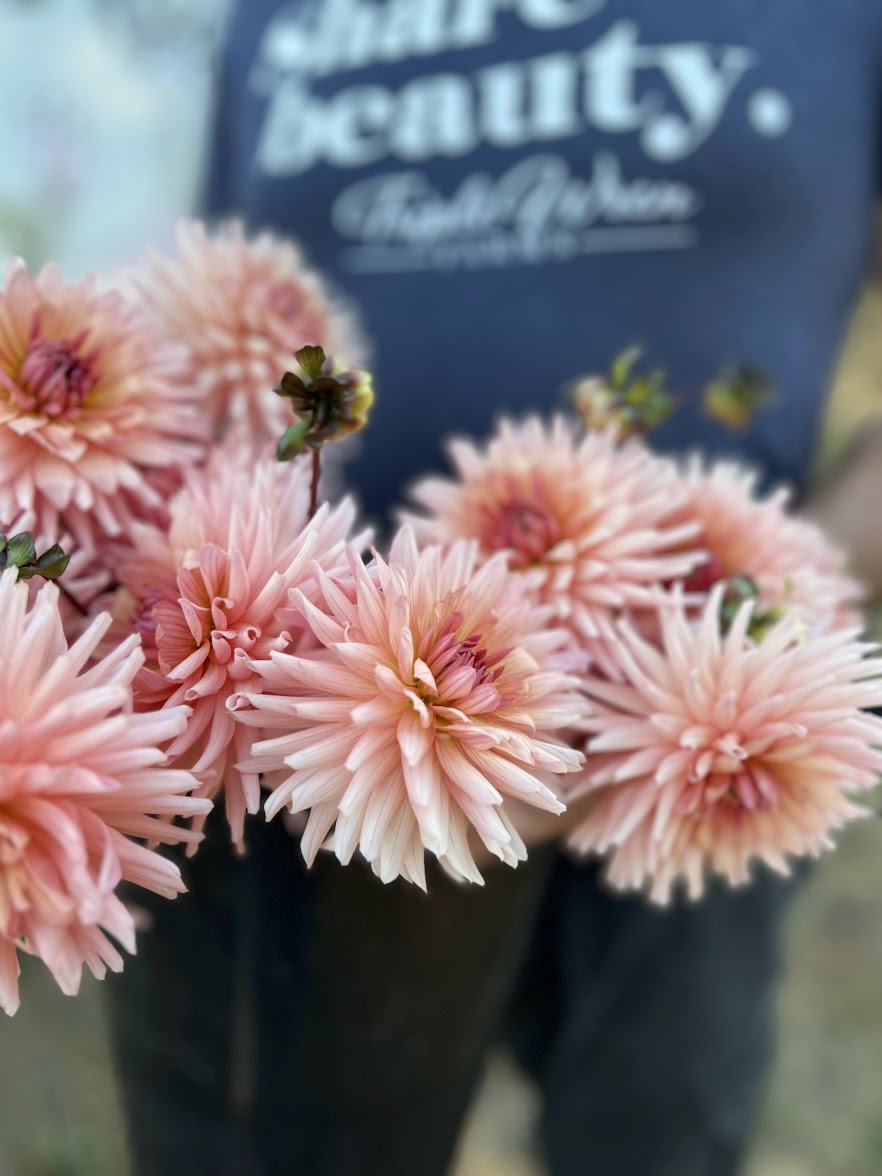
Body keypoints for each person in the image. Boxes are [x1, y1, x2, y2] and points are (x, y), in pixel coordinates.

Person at [106, 3, 882, 1174]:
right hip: (308, 726)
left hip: (692, 727)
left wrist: (794, 588)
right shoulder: (271, 19)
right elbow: (217, 316)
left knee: (654, 1131)